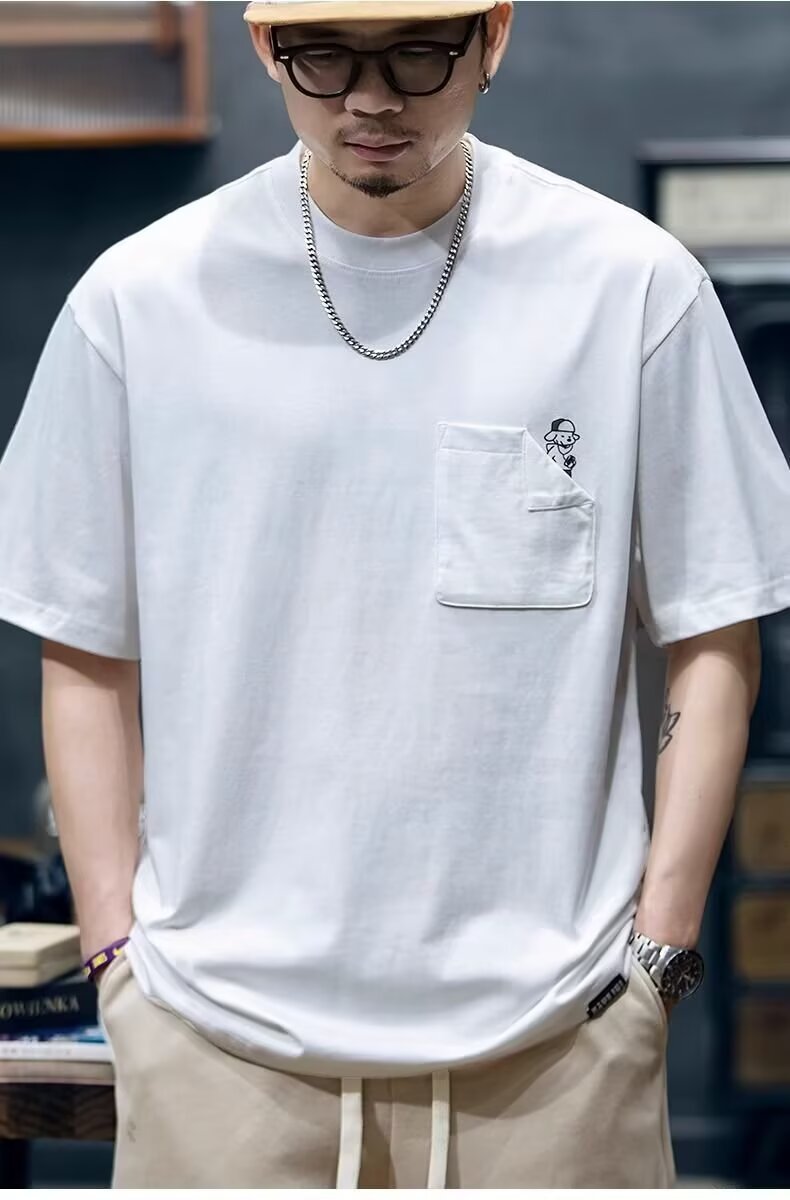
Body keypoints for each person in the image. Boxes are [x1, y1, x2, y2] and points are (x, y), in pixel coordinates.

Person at [0, 0, 789, 1187]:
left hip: (558, 1045)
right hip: (215, 1044)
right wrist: (119, 960)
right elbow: (83, 648)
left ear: (493, 36)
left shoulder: (627, 286)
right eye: (323, 56)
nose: (371, 98)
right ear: (264, 48)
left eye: (418, 52)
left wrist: (656, 961)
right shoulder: (142, 301)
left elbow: (715, 630)